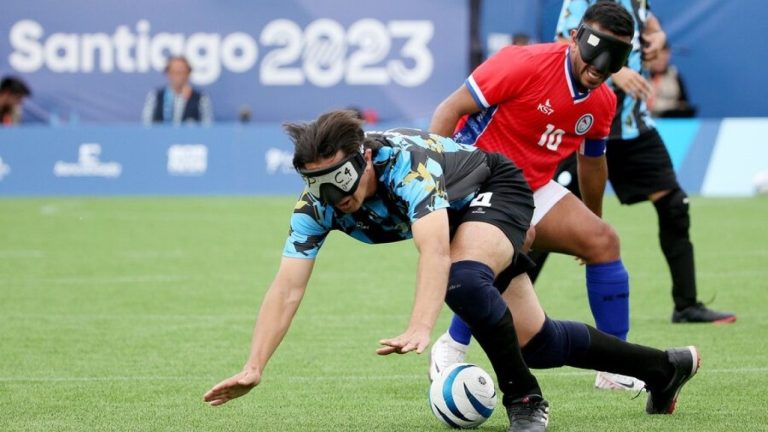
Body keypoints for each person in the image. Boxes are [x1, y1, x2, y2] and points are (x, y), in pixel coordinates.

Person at [202, 110, 700, 431]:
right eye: (321, 188)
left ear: (366, 158)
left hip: (494, 187)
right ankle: (664, 368)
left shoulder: (405, 166)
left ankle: (524, 400)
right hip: (461, 220)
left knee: (461, 278)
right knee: (538, 343)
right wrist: (255, 365)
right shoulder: (318, 207)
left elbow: (436, 254)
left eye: (344, 180)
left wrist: (422, 325)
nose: (336, 199)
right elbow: (287, 287)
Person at [429, 1, 645, 390]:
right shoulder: (522, 63)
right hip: (477, 176)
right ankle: (451, 345)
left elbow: (592, 164)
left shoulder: (602, 102)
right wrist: (439, 187)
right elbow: (448, 109)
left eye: (612, 61)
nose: (598, 70)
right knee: (513, 242)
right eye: (594, 54)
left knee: (604, 241)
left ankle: (614, 365)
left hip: (531, 186)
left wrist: (592, 218)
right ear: (575, 37)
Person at [548, 0, 735, 323]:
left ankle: (686, 305)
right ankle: (503, 301)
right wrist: (614, 71)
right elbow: (563, 43)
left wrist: (659, 35)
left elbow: (646, 21)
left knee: (675, 205)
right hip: (583, 123)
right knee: (546, 218)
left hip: (634, 127)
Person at [141, 56, 213, 125]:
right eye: (175, 72)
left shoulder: (200, 98)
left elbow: (207, 126)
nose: (178, 76)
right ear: (168, 74)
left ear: (188, 73)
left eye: (182, 72)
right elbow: (146, 125)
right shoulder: (155, 96)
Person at [648, 43, 696, 118]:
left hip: (668, 120)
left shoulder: (674, 75)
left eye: (663, 57)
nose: (660, 61)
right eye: (656, 57)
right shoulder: (639, 74)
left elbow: (684, 103)